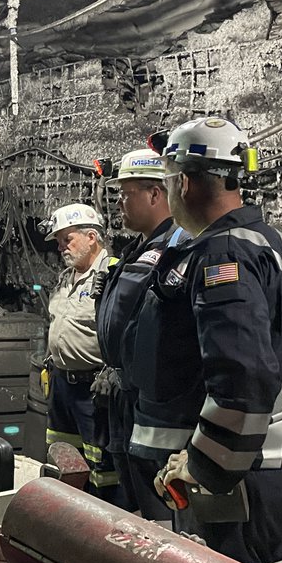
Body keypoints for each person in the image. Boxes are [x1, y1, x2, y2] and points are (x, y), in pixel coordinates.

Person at [123, 116, 282, 563]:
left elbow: (243, 373)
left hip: (232, 479)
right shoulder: (271, 241)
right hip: (261, 461)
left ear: (183, 183)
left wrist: (205, 468)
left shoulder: (223, 254)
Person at [96, 149, 188, 519]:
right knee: (133, 496)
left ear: (154, 194)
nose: (119, 202)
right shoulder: (140, 247)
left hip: (156, 405)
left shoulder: (179, 246)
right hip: (125, 394)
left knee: (160, 508)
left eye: (126, 193)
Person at [43, 202, 120, 499]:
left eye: (68, 238)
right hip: (62, 386)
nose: (62, 247)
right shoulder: (67, 277)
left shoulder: (112, 276)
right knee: (62, 458)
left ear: (92, 236)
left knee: (101, 467)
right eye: (59, 241)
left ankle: (105, 523)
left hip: (93, 390)